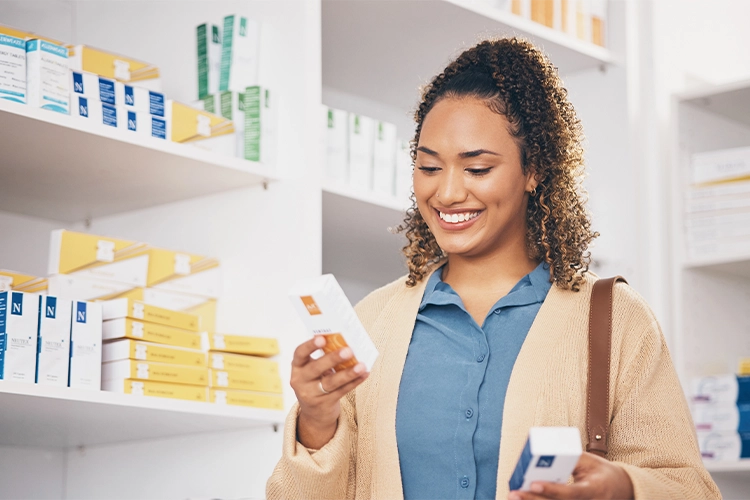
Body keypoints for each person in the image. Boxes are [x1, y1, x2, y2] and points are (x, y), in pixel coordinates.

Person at [267, 37, 720, 500]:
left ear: (534, 169)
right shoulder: (374, 322)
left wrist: (620, 487)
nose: (446, 193)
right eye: (428, 166)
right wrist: (317, 422)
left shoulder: (614, 319)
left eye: (477, 169)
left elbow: (691, 489)